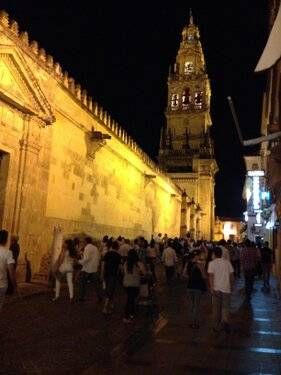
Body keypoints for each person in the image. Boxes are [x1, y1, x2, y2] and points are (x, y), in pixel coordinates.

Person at [208, 246, 234, 333]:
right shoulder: (227, 263)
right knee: (225, 307)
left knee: (216, 308)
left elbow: (211, 277)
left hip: (216, 289)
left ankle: (216, 326)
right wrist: (231, 286)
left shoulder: (211, 263)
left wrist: (211, 288)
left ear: (214, 254)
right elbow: (231, 276)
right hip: (226, 288)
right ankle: (225, 322)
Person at [185, 250, 207, 329]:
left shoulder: (188, 263)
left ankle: (190, 321)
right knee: (196, 305)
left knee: (191, 304)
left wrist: (191, 278)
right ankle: (194, 323)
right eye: (200, 255)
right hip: (197, 287)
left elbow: (184, 274)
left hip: (189, 286)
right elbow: (204, 276)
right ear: (196, 256)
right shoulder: (199, 265)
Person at [123, 249, 145, 323]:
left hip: (126, 283)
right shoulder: (138, 263)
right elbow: (143, 272)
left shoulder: (126, 263)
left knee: (130, 298)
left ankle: (131, 313)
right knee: (130, 299)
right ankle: (126, 316)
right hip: (135, 283)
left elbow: (124, 272)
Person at [78, 236, 102, 302]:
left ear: (86, 241)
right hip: (94, 268)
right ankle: (99, 296)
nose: (83, 243)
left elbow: (86, 258)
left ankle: (81, 297)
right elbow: (98, 258)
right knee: (96, 284)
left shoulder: (87, 247)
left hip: (87, 268)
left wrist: (79, 261)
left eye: (83, 242)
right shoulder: (95, 248)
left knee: (82, 283)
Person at [102, 240, 122, 314]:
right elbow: (120, 267)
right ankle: (105, 307)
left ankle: (111, 304)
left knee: (109, 289)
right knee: (110, 290)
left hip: (106, 274)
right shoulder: (118, 256)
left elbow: (103, 264)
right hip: (113, 275)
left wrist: (102, 274)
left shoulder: (107, 254)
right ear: (117, 247)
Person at [0, 230, 17, 311]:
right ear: (6, 240)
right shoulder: (8, 253)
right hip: (1, 284)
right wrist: (15, 286)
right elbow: (11, 273)